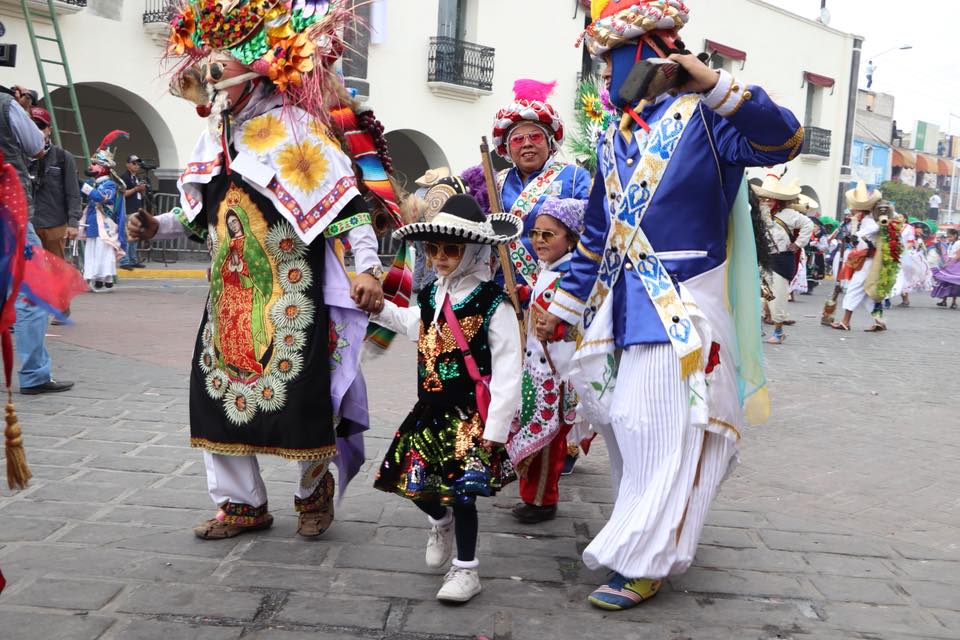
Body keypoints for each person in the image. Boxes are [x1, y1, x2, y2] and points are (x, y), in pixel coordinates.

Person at [536, 0, 802, 610]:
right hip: (622, 312)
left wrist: (710, 82)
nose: (606, 78)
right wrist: (565, 304)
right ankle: (657, 530)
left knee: (658, 428)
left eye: (614, 64)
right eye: (601, 68)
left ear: (656, 58)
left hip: (682, 309)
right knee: (627, 429)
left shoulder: (708, 121)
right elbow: (599, 238)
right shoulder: (610, 140)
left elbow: (782, 137)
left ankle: (646, 558)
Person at [130, 0, 389, 540]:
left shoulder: (295, 129)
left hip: (293, 296)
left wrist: (367, 267)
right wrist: (157, 226)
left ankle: (312, 493)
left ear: (252, 73)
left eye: (218, 71)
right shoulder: (216, 136)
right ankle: (241, 505)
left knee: (306, 399)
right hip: (229, 297)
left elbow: (343, 206)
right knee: (215, 397)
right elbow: (199, 215)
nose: (209, 84)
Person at [371, 194, 523, 603]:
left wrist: (496, 430)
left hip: (470, 418)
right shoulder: (432, 295)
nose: (439, 257)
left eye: (450, 248)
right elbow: (412, 325)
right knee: (411, 482)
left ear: (473, 249)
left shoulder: (495, 305)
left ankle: (467, 569)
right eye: (433, 248)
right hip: (429, 411)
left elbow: (509, 372)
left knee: (463, 493)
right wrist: (379, 308)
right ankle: (440, 521)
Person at [506, 197, 585, 523]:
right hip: (537, 372)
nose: (539, 240)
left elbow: (578, 322)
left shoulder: (574, 278)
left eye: (548, 234)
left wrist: (559, 328)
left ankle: (542, 501)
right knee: (536, 438)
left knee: (549, 445)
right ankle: (533, 495)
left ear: (571, 239)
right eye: (535, 233)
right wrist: (525, 297)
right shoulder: (549, 271)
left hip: (559, 372)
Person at [1, 86, 75, 395]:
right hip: (9, 210)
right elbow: (36, 146)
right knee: (30, 291)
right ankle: (33, 374)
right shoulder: (5, 103)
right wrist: (20, 107)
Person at [491, 79, 591, 291]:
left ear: (549, 143)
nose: (527, 144)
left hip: (558, 286)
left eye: (535, 136)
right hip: (505, 288)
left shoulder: (574, 177)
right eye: (517, 140)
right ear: (507, 149)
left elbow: (592, 228)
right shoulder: (497, 183)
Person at [752, 176, 814, 344]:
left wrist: (798, 243)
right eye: (764, 199)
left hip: (781, 261)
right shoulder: (759, 213)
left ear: (777, 199)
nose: (766, 202)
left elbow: (808, 224)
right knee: (761, 295)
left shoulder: (789, 214)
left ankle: (779, 332)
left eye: (769, 199)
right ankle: (757, 329)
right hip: (764, 260)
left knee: (777, 297)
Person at [830, 184, 893, 332]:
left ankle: (845, 322)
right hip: (866, 260)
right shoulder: (863, 220)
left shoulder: (870, 221)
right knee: (867, 295)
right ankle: (879, 321)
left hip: (868, 261)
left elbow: (872, 230)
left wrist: (856, 234)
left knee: (854, 289)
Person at [28, 107, 81, 263]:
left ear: (49, 130)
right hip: (27, 226)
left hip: (55, 226)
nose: (37, 130)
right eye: (32, 126)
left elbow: (73, 192)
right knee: (30, 273)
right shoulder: (19, 156)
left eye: (41, 126)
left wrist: (73, 223)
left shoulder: (63, 157)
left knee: (55, 271)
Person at [80, 132, 128, 291]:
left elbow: (104, 199)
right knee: (93, 249)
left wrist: (86, 188)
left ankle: (105, 279)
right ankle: (95, 278)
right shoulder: (92, 183)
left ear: (103, 168)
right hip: (92, 223)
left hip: (105, 224)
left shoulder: (110, 185)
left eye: (94, 164)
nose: (91, 167)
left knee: (103, 250)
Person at [892, 213, 932, 306]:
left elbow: (910, 242)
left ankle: (905, 299)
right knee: (897, 276)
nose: (898, 218)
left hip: (905, 255)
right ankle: (900, 299)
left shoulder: (909, 228)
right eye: (897, 217)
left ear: (905, 219)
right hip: (895, 253)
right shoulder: (893, 227)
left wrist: (903, 250)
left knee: (903, 277)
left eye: (900, 217)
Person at [118, 154, 149, 269]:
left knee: (135, 235)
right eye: (134, 163)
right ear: (127, 164)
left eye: (138, 163)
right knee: (127, 236)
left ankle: (133, 259)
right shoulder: (124, 177)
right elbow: (123, 194)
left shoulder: (136, 177)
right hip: (128, 209)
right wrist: (136, 189)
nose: (137, 166)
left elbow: (140, 194)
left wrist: (142, 190)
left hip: (136, 209)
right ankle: (124, 261)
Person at [931, 228, 960, 308]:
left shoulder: (958, 243)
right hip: (950, 263)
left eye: (950, 236)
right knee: (945, 281)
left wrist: (949, 263)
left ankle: (954, 302)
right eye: (948, 237)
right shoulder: (951, 243)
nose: (948, 238)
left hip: (956, 265)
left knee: (954, 283)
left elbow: (958, 256)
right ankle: (944, 301)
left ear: (955, 235)